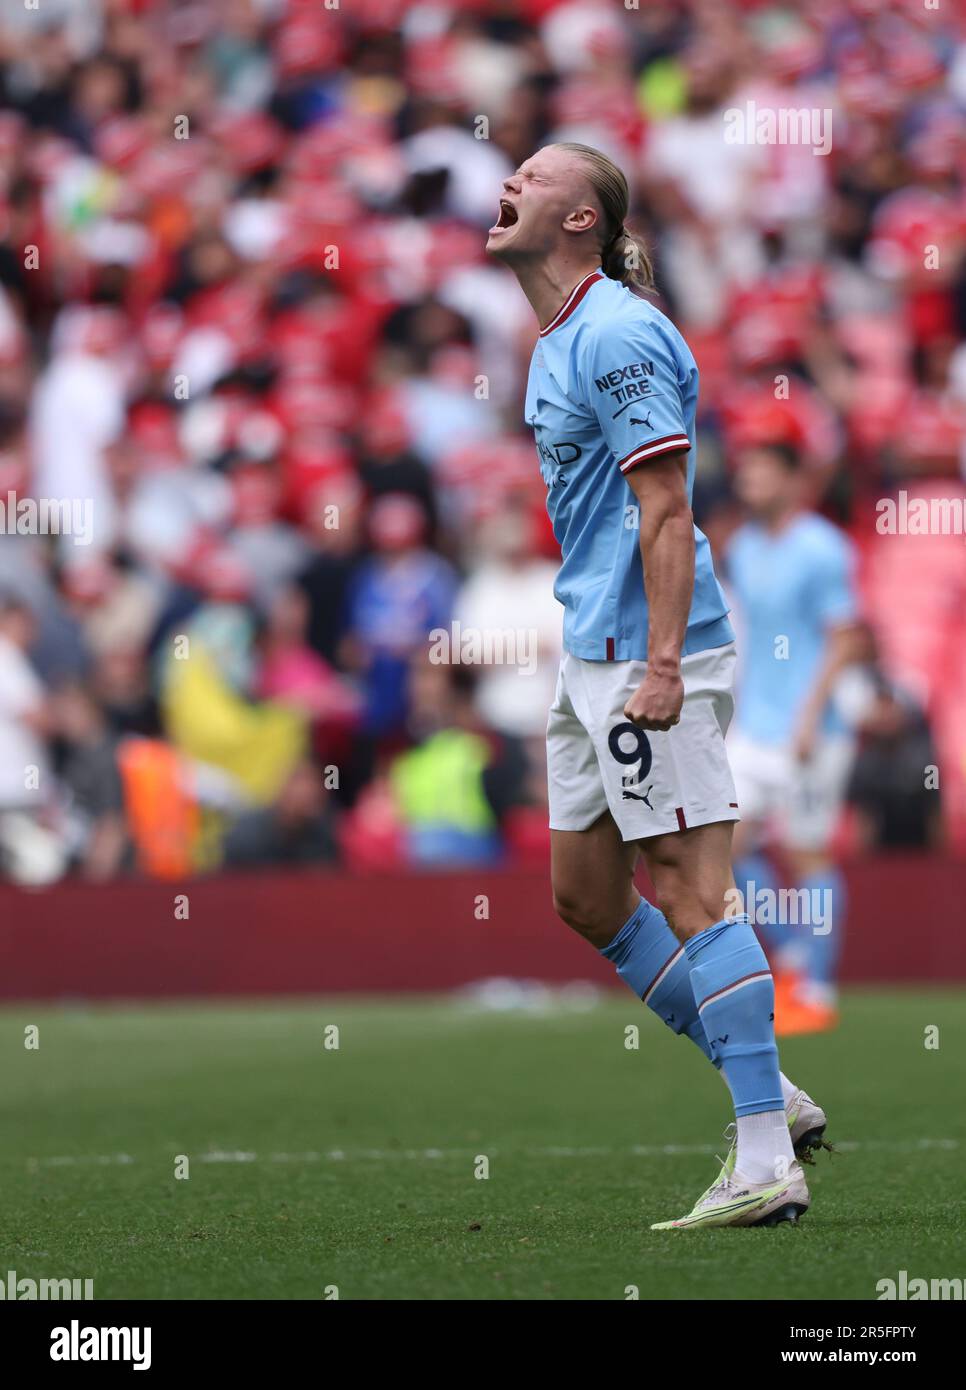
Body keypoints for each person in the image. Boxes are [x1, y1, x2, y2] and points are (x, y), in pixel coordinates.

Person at [486, 141, 828, 1229]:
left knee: (684, 884)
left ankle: (766, 1154)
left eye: (533, 177)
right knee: (586, 895)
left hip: (650, 652)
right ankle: (770, 1087)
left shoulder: (619, 333)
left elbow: (668, 507)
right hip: (589, 648)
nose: (507, 186)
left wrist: (667, 664)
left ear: (583, 218)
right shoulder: (553, 339)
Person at [726, 442, 862, 1034]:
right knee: (726, 845)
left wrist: (809, 714)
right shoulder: (742, 546)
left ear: (792, 478)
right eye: (746, 468)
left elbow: (846, 637)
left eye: (762, 468)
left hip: (811, 727)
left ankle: (820, 987)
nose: (750, 477)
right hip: (754, 723)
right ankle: (793, 951)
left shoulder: (822, 547)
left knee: (809, 852)